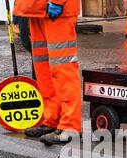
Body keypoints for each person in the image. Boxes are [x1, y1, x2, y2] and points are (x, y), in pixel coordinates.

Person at [14, 0, 82, 145]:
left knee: (63, 70)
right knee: (44, 72)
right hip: (35, 10)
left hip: (56, 10)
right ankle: (52, 120)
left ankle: (70, 126)